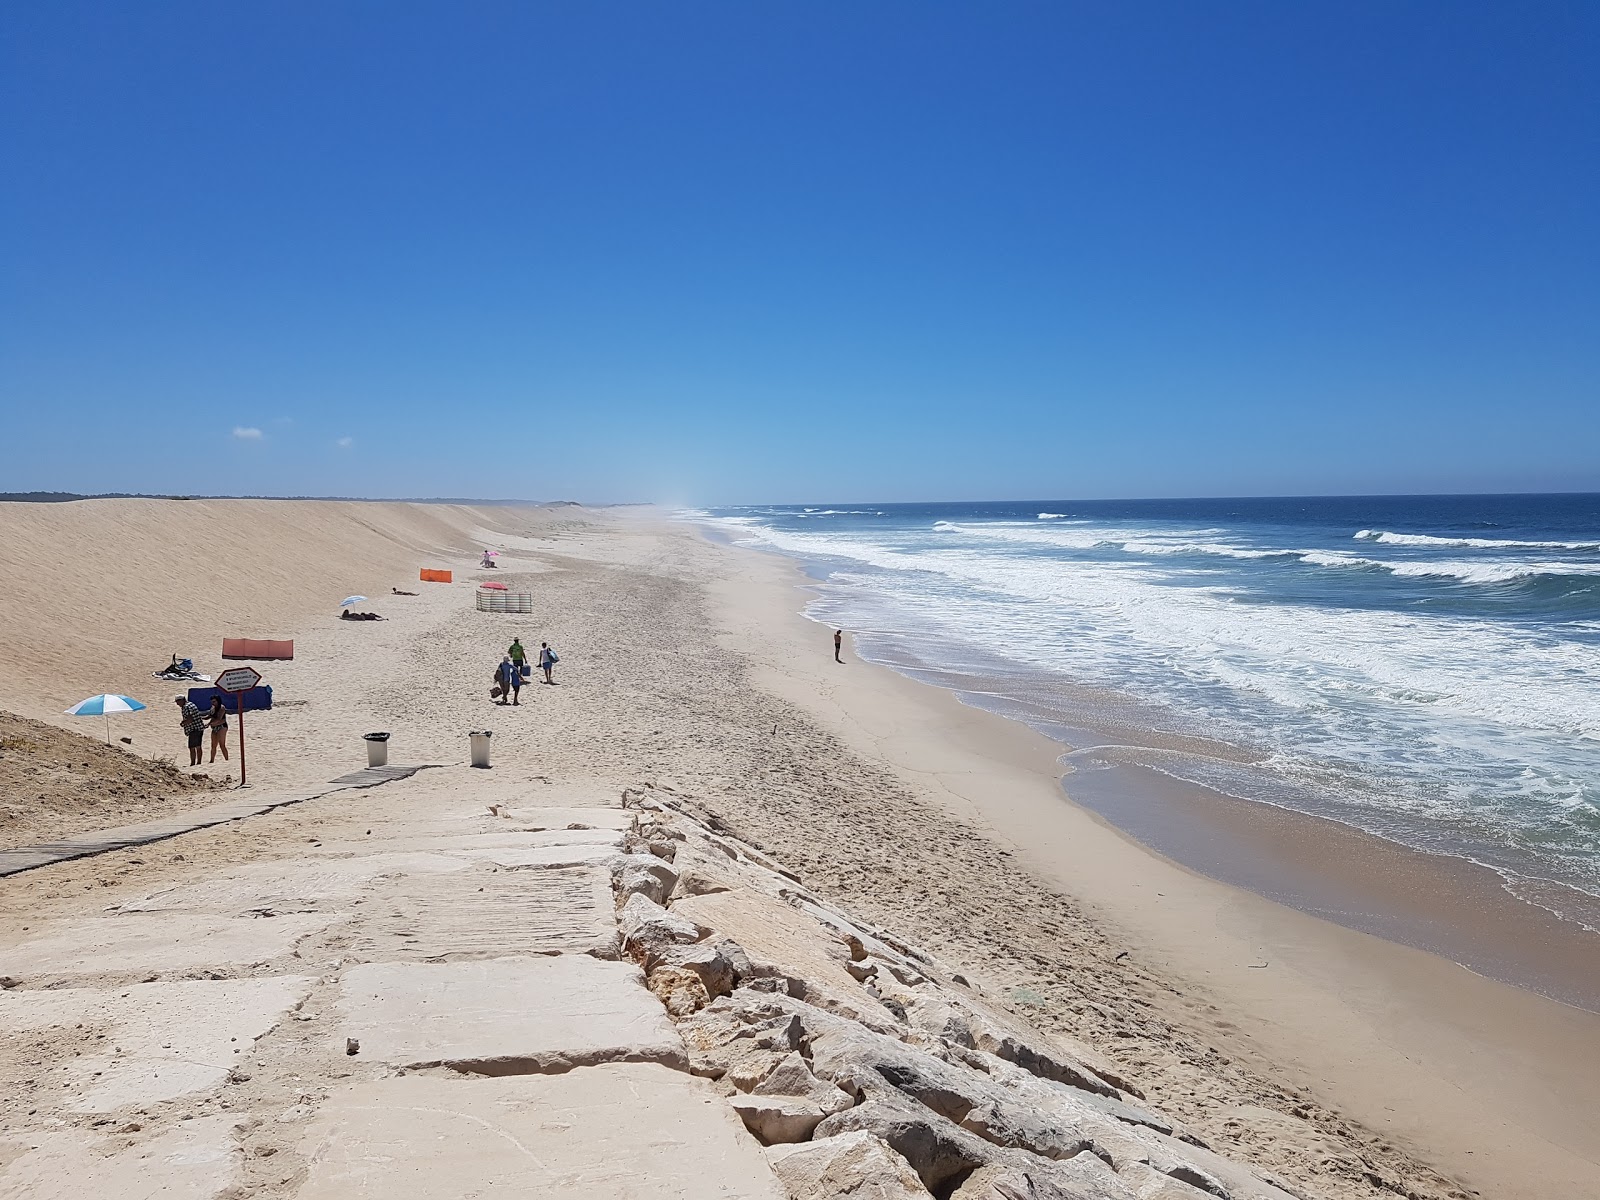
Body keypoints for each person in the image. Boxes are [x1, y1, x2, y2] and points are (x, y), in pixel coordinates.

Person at [174, 695, 205, 766]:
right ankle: (199, 762)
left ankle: (193, 763)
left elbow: (190, 719)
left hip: (193, 729)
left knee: (192, 747)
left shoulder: (186, 707)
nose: (177, 704)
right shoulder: (191, 704)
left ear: (182, 700)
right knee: (198, 746)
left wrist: (183, 723)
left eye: (178, 702)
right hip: (199, 727)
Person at [207, 695, 230, 763]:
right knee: (213, 745)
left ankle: (227, 760)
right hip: (214, 727)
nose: (213, 703)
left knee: (222, 745)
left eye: (214, 701)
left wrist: (209, 724)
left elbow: (219, 719)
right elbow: (210, 716)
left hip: (222, 726)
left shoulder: (222, 708)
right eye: (212, 702)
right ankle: (212, 760)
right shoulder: (212, 708)